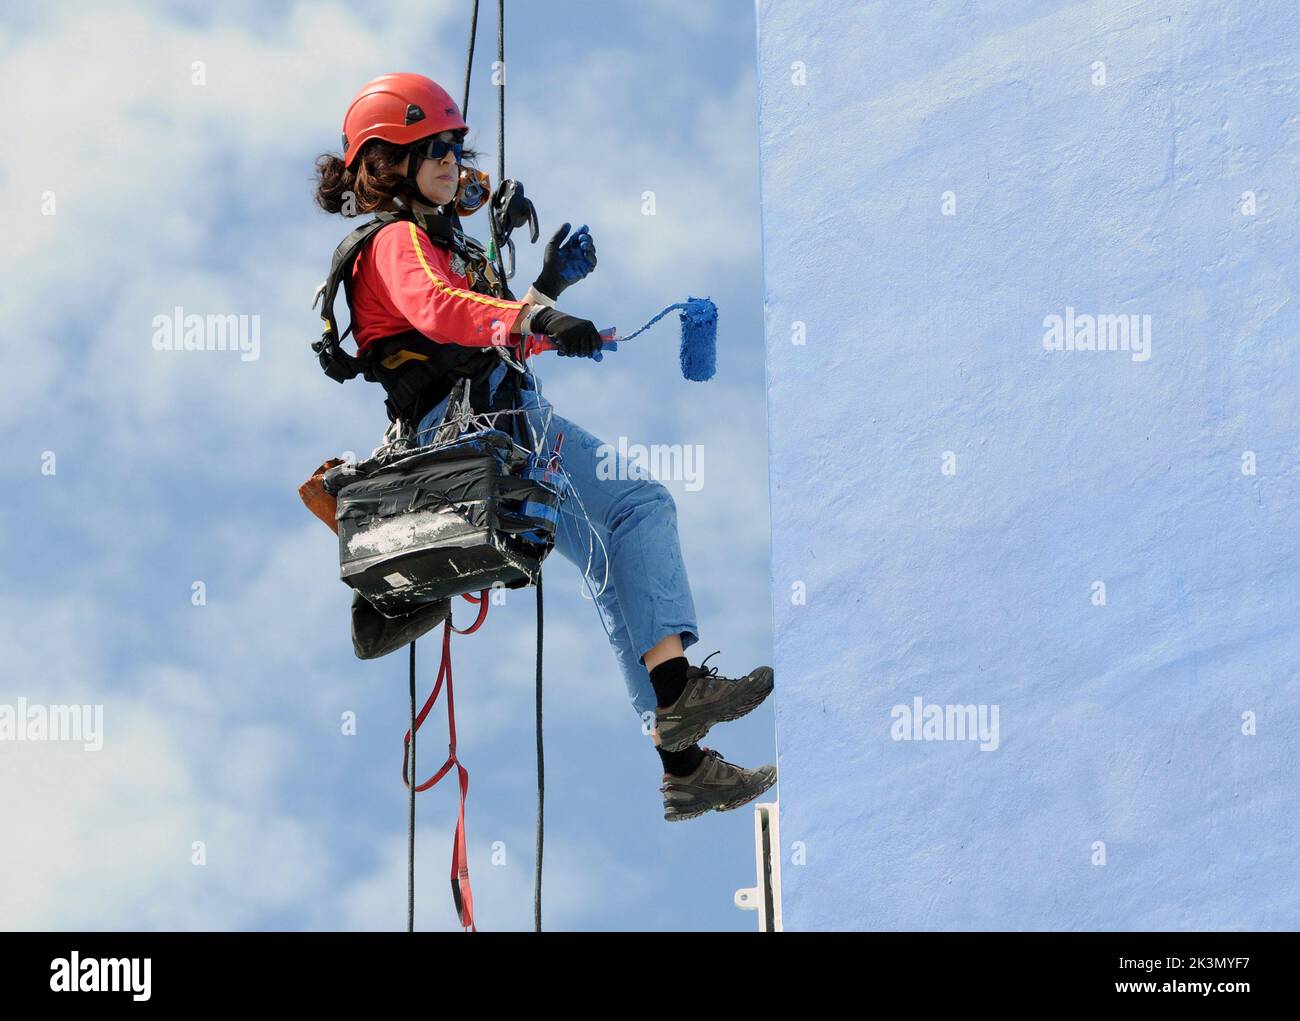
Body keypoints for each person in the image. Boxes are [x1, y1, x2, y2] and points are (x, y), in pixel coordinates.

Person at [314, 73, 775, 821]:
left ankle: (683, 759)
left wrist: (548, 291)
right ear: (391, 160)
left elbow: (478, 333)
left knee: (613, 543)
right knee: (636, 510)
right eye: (437, 147)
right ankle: (678, 705)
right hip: (488, 435)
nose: (453, 160)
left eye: (455, 147)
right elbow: (445, 311)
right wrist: (535, 321)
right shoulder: (396, 243)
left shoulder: (432, 240)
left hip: (497, 424)